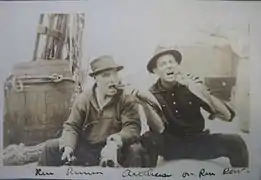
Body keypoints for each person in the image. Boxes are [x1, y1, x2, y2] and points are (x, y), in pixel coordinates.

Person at [142, 46, 249, 167]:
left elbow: (227, 116)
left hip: (198, 142)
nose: (169, 66)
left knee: (236, 142)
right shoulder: (152, 94)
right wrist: (146, 103)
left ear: (177, 66)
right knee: (147, 139)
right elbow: (158, 129)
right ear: (155, 71)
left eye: (171, 62)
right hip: (171, 146)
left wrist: (201, 91)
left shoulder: (192, 84)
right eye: (163, 64)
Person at [38, 55, 143, 167]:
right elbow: (72, 126)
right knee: (50, 148)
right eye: (106, 75)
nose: (113, 79)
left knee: (135, 151)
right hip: (88, 149)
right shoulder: (84, 99)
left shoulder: (126, 98)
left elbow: (132, 127)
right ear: (96, 79)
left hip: (115, 149)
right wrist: (68, 147)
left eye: (115, 74)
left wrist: (116, 140)